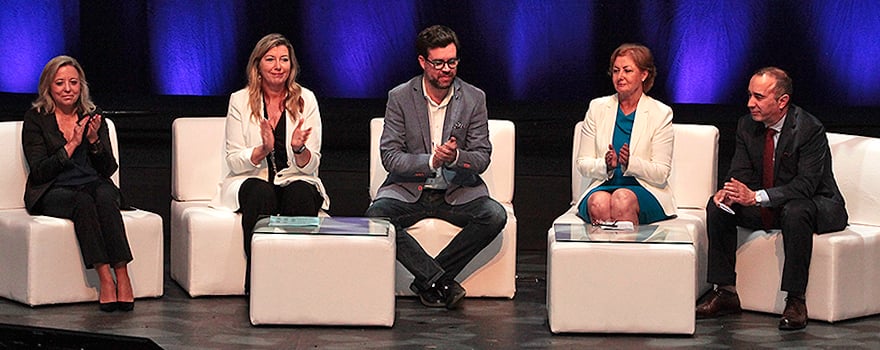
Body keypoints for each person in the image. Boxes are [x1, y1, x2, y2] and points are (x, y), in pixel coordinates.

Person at [365, 25, 507, 309]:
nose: (446, 69)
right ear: (422, 62)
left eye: (452, 62)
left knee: (494, 215)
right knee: (377, 216)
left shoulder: (473, 98)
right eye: (439, 63)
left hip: (456, 192)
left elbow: (481, 156)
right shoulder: (400, 97)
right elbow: (390, 157)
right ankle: (440, 281)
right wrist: (431, 161)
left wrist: (455, 158)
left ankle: (428, 279)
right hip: (409, 192)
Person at [695, 67, 848, 330]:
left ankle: (796, 300)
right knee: (718, 206)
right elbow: (740, 172)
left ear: (782, 101)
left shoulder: (809, 129)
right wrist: (730, 192)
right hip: (770, 204)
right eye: (749, 95)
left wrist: (756, 197)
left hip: (814, 203)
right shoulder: (746, 125)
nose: (749, 104)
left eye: (758, 97)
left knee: (795, 210)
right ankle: (725, 292)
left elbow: (806, 185)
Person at [213, 33, 329, 292]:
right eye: (270, 59)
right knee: (259, 191)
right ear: (258, 66)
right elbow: (233, 161)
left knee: (301, 192)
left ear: (292, 65)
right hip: (251, 180)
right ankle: (259, 283)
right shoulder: (239, 101)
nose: (278, 66)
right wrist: (262, 149)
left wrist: (299, 149)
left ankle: (298, 284)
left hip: (295, 178)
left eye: (284, 60)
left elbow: (312, 165)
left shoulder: (306, 100)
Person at [22, 55, 134, 313]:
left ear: (81, 85)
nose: (68, 89)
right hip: (54, 189)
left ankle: (123, 274)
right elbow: (39, 171)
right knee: (83, 201)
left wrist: (94, 140)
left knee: (105, 197)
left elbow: (108, 169)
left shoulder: (93, 116)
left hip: (93, 184)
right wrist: (72, 144)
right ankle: (105, 278)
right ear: (48, 87)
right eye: (60, 83)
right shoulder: (36, 119)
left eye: (73, 82)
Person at [575, 43, 675, 227]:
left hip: (644, 189)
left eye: (627, 71)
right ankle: (602, 255)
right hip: (603, 185)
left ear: (644, 75)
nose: (620, 77)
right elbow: (582, 163)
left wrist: (630, 164)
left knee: (622, 199)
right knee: (598, 203)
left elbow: (661, 172)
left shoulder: (660, 113)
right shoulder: (597, 108)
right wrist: (605, 165)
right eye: (615, 71)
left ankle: (627, 255)